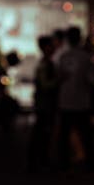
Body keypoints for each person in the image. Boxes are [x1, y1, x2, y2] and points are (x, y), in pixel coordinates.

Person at [55, 25, 94, 172]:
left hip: (65, 101)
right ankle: (90, 164)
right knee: (85, 134)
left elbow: (58, 78)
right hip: (82, 102)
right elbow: (91, 80)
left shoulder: (63, 57)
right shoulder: (86, 57)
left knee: (64, 135)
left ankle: (63, 163)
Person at [27, 35, 58, 172]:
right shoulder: (45, 64)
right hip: (45, 104)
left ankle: (37, 161)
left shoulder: (46, 63)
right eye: (50, 45)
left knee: (41, 133)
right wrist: (60, 79)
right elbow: (46, 85)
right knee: (42, 133)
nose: (53, 48)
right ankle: (38, 161)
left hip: (43, 103)